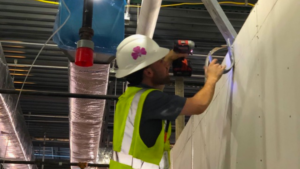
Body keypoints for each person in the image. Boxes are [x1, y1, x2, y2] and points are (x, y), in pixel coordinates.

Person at [110, 34, 225, 169]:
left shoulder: (128, 98)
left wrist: (170, 57)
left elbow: (156, 82)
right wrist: (212, 78)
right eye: (160, 61)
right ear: (148, 73)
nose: (165, 65)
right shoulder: (151, 99)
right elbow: (199, 105)